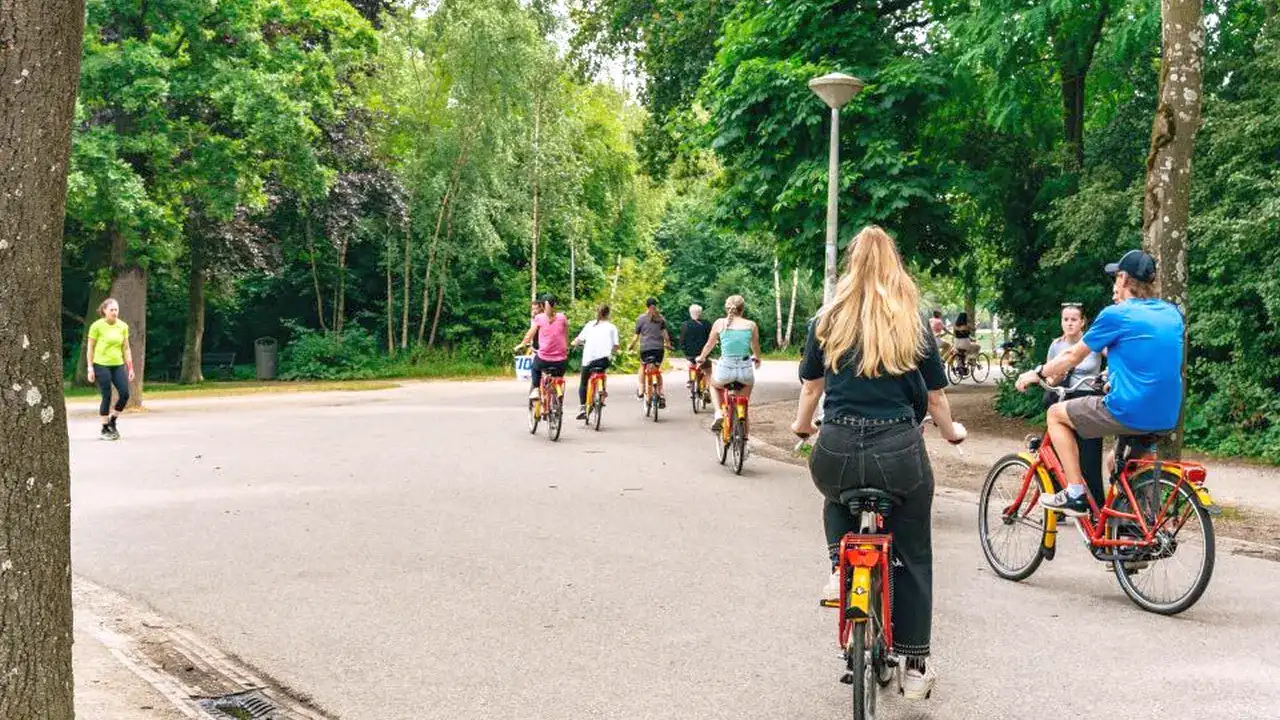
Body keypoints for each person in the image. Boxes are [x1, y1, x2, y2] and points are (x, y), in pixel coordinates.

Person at [790, 226, 966, 700]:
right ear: (896, 266)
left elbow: (811, 389)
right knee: (913, 553)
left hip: (838, 445)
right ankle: (913, 666)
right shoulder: (913, 324)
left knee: (833, 498)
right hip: (898, 450)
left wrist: (802, 428)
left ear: (850, 265)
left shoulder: (826, 321)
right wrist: (952, 433)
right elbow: (935, 398)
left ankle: (837, 567)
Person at [1016, 250, 1184, 516]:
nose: (1114, 284)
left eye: (1116, 277)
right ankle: (1134, 530)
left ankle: (1074, 493)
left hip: (1129, 409)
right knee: (1115, 463)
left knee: (1055, 414)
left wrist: (1037, 372)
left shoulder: (1117, 314)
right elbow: (1149, 361)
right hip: (1166, 413)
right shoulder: (1172, 314)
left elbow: (1072, 355)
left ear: (1124, 279)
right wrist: (1112, 380)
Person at [1043, 303, 1105, 504]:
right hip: (1064, 397)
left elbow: (1116, 357)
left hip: (1087, 398)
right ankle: (1059, 501)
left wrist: (1107, 375)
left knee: (1090, 456)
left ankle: (1095, 505)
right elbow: (1050, 378)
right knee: (1059, 452)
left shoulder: (1092, 343)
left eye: (1073, 320)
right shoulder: (1056, 345)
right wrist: (1055, 378)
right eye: (1065, 319)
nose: (1069, 324)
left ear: (1082, 322)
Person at [695, 295, 762, 433]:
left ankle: (719, 412)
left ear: (727, 308)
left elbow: (709, 345)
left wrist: (701, 358)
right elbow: (755, 347)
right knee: (744, 404)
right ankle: (745, 442)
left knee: (713, 385)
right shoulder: (751, 325)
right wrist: (757, 357)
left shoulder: (720, 323)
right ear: (742, 309)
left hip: (725, 369)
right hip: (745, 370)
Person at [86, 298, 135, 440]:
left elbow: (126, 348)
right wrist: (90, 368)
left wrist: (130, 367)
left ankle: (113, 421)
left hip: (117, 364)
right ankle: (104, 428)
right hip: (101, 364)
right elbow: (90, 348)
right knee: (106, 395)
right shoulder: (96, 326)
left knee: (125, 394)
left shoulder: (123, 326)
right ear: (104, 311)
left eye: (116, 310)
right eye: (111, 310)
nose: (114, 312)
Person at [515, 294, 570, 401]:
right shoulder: (563, 317)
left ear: (541, 306)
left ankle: (535, 388)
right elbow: (565, 335)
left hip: (544, 359)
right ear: (555, 304)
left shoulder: (539, 318)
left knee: (535, 368)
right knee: (558, 376)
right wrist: (566, 348)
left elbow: (529, 335)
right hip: (561, 361)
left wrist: (521, 344)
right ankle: (556, 389)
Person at [572, 304, 619, 420]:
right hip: (604, 360)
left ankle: (583, 407)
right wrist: (612, 351)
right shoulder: (612, 327)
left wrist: (574, 343)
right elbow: (616, 346)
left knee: (583, 382)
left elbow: (578, 340)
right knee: (602, 372)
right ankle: (602, 391)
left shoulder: (590, 325)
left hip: (589, 361)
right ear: (608, 314)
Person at [628, 298, 672, 408]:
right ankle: (661, 395)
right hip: (658, 350)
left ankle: (641, 390)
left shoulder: (640, 319)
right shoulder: (661, 319)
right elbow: (665, 334)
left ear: (646, 306)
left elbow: (636, 336)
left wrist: (631, 346)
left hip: (645, 349)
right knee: (657, 370)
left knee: (643, 366)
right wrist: (668, 344)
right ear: (656, 306)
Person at [680, 304, 713, 385]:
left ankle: (691, 380)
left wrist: (684, 349)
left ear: (690, 313)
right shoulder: (707, 324)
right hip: (703, 354)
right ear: (701, 313)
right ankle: (708, 385)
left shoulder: (685, 324)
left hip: (690, 353)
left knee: (691, 363)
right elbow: (711, 339)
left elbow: (682, 340)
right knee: (708, 368)